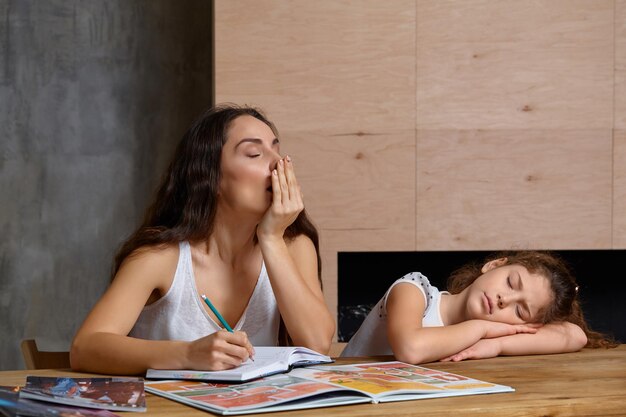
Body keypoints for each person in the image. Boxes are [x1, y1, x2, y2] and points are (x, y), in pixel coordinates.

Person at [70, 104, 335, 374]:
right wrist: (187, 353)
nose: (279, 162)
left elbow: (316, 344)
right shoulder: (158, 258)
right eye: (254, 153)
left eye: (276, 149)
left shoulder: (293, 246)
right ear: (210, 176)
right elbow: (85, 348)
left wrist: (271, 238)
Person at [341, 251, 616, 363]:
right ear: (494, 264)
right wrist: (482, 328)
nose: (504, 300)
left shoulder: (482, 339)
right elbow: (411, 348)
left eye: (520, 311)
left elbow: (574, 335)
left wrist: (495, 345)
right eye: (511, 282)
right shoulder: (414, 290)